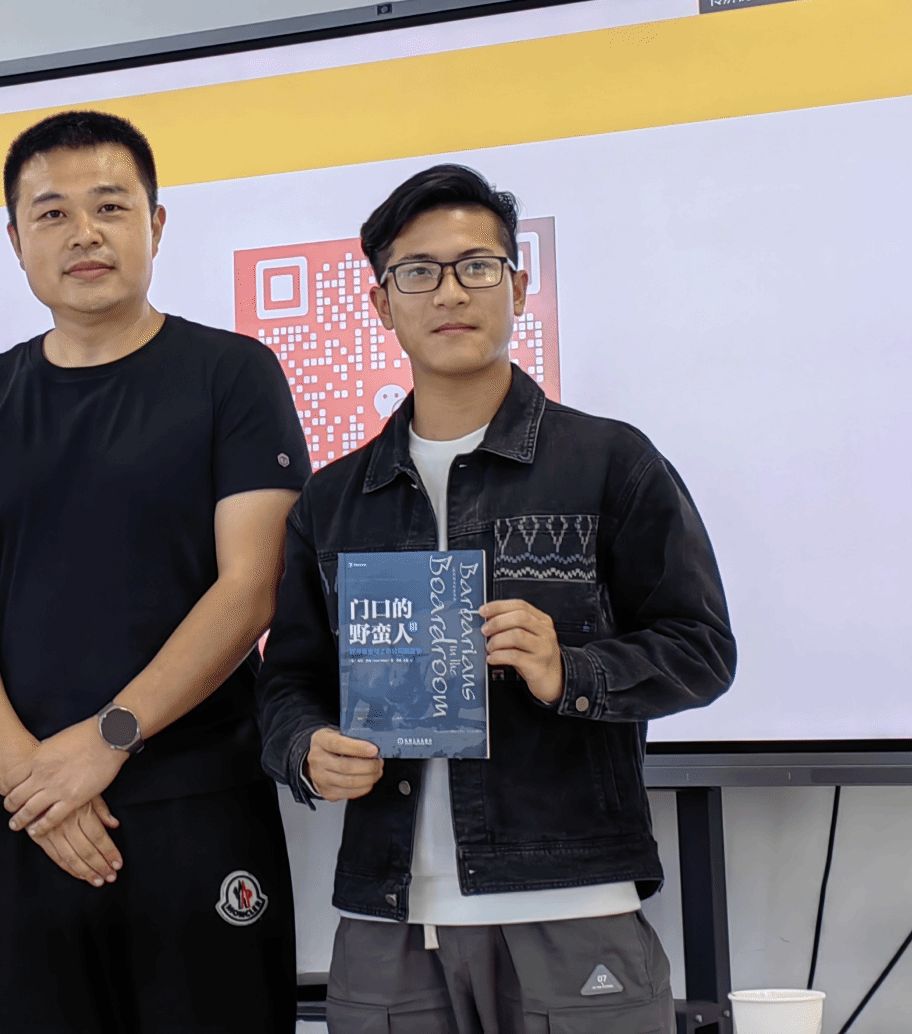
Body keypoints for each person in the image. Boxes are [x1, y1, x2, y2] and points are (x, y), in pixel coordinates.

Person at [257, 164, 736, 1034]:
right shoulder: (333, 501)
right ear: (382, 303)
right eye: (418, 272)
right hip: (386, 914)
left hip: (572, 898)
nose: (450, 292)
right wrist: (306, 749)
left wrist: (570, 670)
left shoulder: (610, 462)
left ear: (516, 287)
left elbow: (701, 649)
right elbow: (288, 680)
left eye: (477, 266)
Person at [0, 109, 309, 1034]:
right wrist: (31, 777)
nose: (83, 233)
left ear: (156, 225)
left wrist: (106, 740)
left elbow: (251, 586)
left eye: (110, 206)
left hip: (195, 799)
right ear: (15, 242)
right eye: (51, 213)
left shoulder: (233, 374)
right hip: (27, 815)